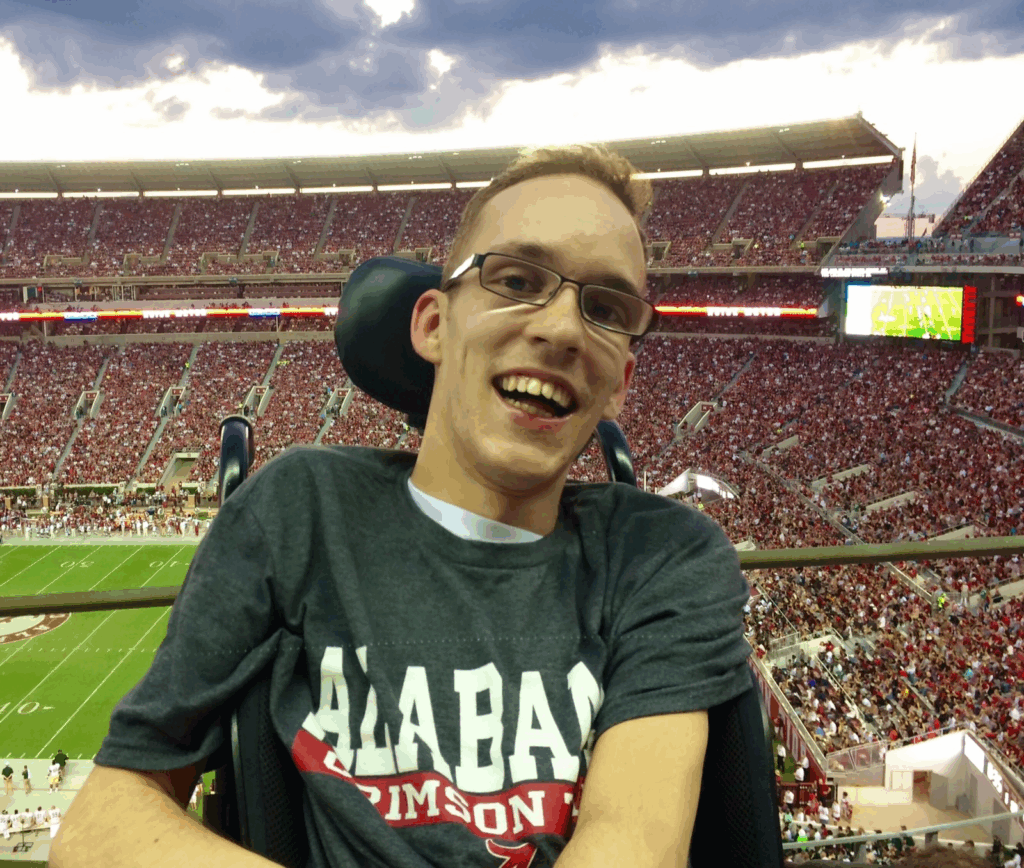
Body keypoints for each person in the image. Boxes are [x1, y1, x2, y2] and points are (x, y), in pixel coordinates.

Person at [52, 144, 753, 868]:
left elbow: (632, 844)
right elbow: (105, 817)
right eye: (516, 279)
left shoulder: (665, 555)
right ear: (432, 325)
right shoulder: (299, 510)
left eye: (606, 308)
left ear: (620, 384)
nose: (562, 329)